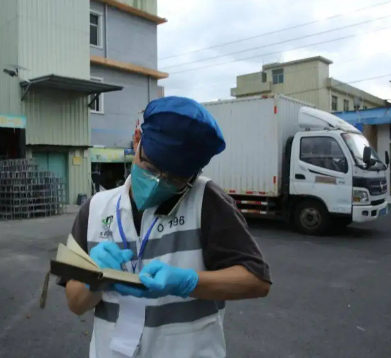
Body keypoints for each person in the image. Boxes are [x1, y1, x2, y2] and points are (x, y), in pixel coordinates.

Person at [59, 96, 271, 358]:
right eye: (151, 168)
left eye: (176, 179)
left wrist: (187, 282)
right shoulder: (94, 209)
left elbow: (257, 280)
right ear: (137, 140)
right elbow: (75, 303)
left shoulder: (208, 202)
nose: (159, 183)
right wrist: (93, 279)